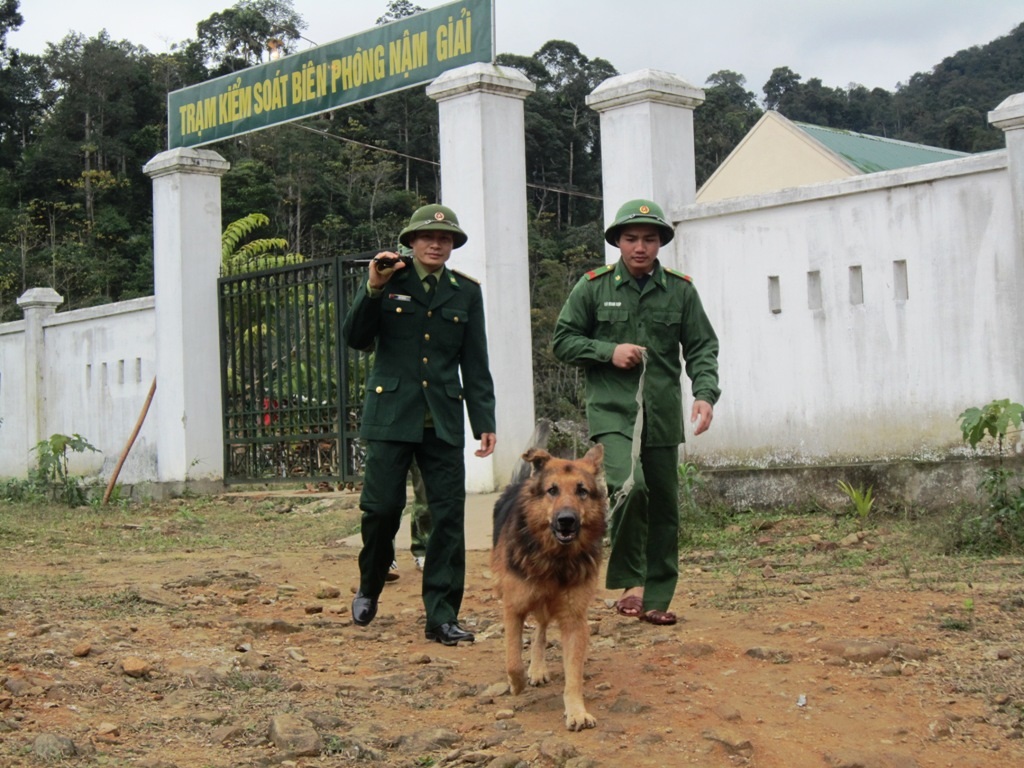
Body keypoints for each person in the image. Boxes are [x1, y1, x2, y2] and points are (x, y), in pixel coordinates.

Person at [552, 199, 720, 626]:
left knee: (663, 505)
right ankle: (631, 582)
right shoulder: (593, 287)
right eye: (631, 239)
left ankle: (658, 596)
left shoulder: (681, 290)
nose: (640, 247)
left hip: (662, 413)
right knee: (633, 486)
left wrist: (705, 394)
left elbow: (701, 346)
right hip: (613, 412)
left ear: (660, 243)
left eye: (649, 239)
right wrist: (609, 351)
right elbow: (563, 341)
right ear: (618, 243)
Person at [342, 203, 497, 646]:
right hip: (391, 416)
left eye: (445, 239)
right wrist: (373, 286)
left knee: (448, 517)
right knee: (381, 510)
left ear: (452, 246)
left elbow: (475, 361)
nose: (435, 244)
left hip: (443, 420)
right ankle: (370, 583)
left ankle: (442, 616)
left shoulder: (465, 292)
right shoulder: (389, 279)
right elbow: (356, 338)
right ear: (409, 242)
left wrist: (483, 419)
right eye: (427, 237)